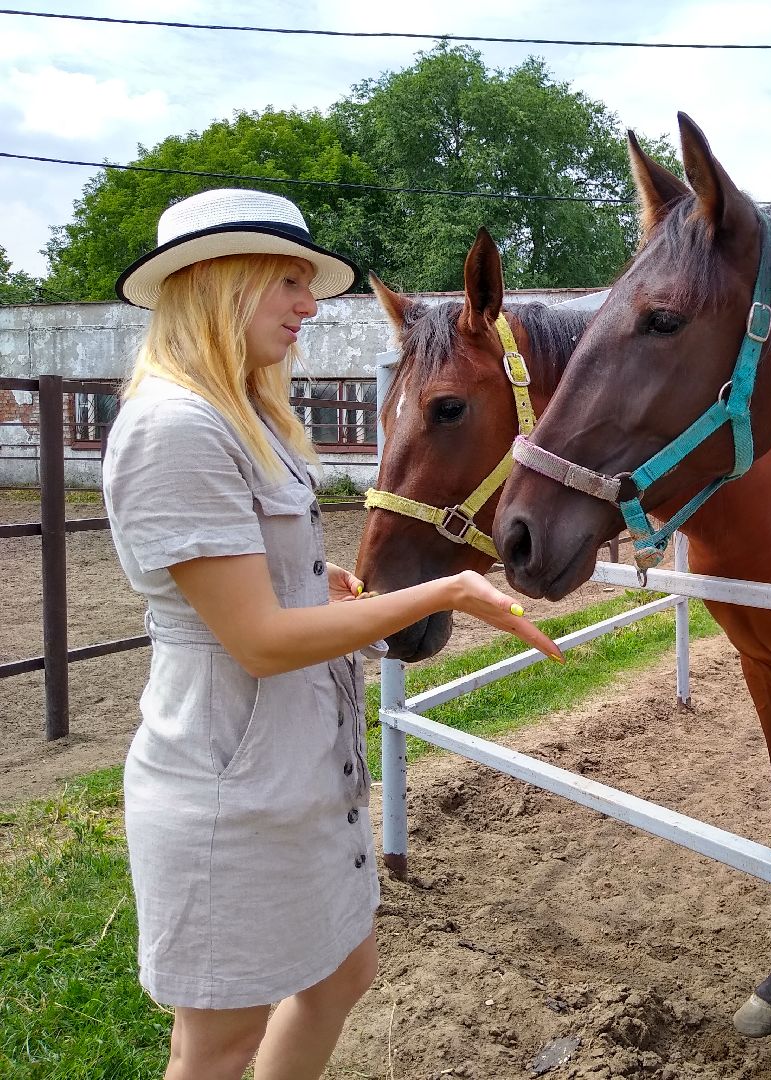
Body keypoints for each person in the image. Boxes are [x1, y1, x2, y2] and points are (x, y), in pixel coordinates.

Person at [104, 188, 562, 1080]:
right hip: (233, 790)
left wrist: (319, 585)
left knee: (344, 974)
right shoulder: (176, 428)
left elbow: (259, 590)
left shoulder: (240, 417)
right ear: (218, 282)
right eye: (287, 281)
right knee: (216, 1045)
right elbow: (259, 641)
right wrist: (449, 590)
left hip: (299, 767)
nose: (308, 305)